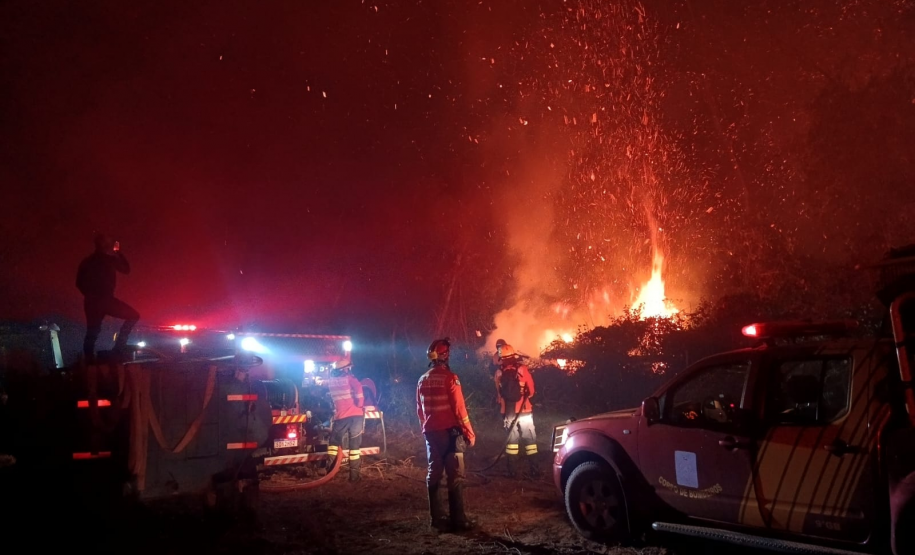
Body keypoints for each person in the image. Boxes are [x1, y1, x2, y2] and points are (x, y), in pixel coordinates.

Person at [416, 338, 476, 533]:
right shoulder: (450, 378)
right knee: (455, 473)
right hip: (450, 433)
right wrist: (469, 432)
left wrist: (426, 429)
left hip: (431, 433)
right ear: (444, 356)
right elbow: (459, 409)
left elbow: (420, 410)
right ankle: (458, 520)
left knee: (434, 471)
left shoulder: (422, 379)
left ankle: (436, 518)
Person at [76, 233, 140, 362]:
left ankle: (89, 360)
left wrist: (89, 295)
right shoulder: (109, 260)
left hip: (91, 301)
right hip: (106, 300)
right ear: (104, 244)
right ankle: (119, 347)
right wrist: (118, 253)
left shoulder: (87, 261)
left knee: (92, 331)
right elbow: (126, 269)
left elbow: (78, 282)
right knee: (133, 316)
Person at [495, 344, 538, 478]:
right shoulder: (522, 369)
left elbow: (499, 395)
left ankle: (512, 471)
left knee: (511, 442)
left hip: (508, 412)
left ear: (502, 358)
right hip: (524, 411)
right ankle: (534, 470)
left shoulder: (499, 373)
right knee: (530, 441)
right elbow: (532, 391)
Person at [326, 363, 365, 482]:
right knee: (354, 447)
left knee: (333, 444)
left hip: (341, 417)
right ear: (345, 369)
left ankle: (330, 473)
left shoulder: (331, 382)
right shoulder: (351, 379)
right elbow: (359, 393)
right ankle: (354, 477)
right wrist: (359, 405)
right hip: (356, 416)